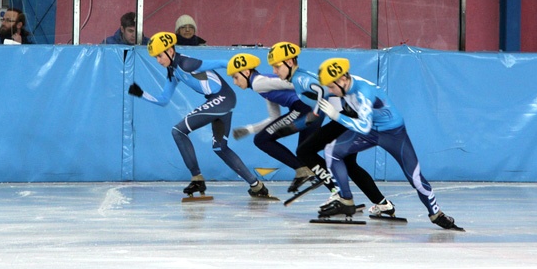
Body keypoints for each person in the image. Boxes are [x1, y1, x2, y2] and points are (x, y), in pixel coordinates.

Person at [314, 57, 464, 229]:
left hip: (393, 134)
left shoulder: (363, 92)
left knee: (415, 177)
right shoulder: (343, 86)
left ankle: (436, 214)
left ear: (342, 79)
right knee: (332, 151)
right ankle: (346, 200)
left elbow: (363, 126)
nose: (330, 90)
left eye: (331, 86)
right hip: (372, 130)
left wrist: (336, 116)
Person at [127, 31, 270, 199]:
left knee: (178, 131)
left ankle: (197, 178)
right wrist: (141, 93)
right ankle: (257, 186)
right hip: (222, 99)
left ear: (170, 51)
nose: (158, 61)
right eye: (155, 58)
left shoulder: (186, 64)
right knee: (220, 148)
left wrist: (250, 75)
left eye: (159, 56)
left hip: (222, 99)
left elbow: (222, 63)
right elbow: (164, 99)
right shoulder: (173, 71)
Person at [266, 41, 393, 218]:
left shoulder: (300, 79)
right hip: (350, 115)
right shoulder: (298, 77)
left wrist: (317, 110)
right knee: (349, 163)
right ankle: (383, 204)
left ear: (289, 62)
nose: (274, 71)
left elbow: (319, 89)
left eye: (277, 66)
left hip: (348, 117)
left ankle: (338, 192)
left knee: (304, 151)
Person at [227, 52, 317, 193]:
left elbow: (291, 82)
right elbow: (274, 118)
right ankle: (336, 189)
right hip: (309, 108)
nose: (235, 82)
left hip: (303, 108)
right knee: (305, 153)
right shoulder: (262, 85)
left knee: (261, 140)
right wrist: (249, 129)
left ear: (245, 72)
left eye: (236, 77)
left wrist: (316, 88)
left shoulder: (258, 83)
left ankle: (302, 171)